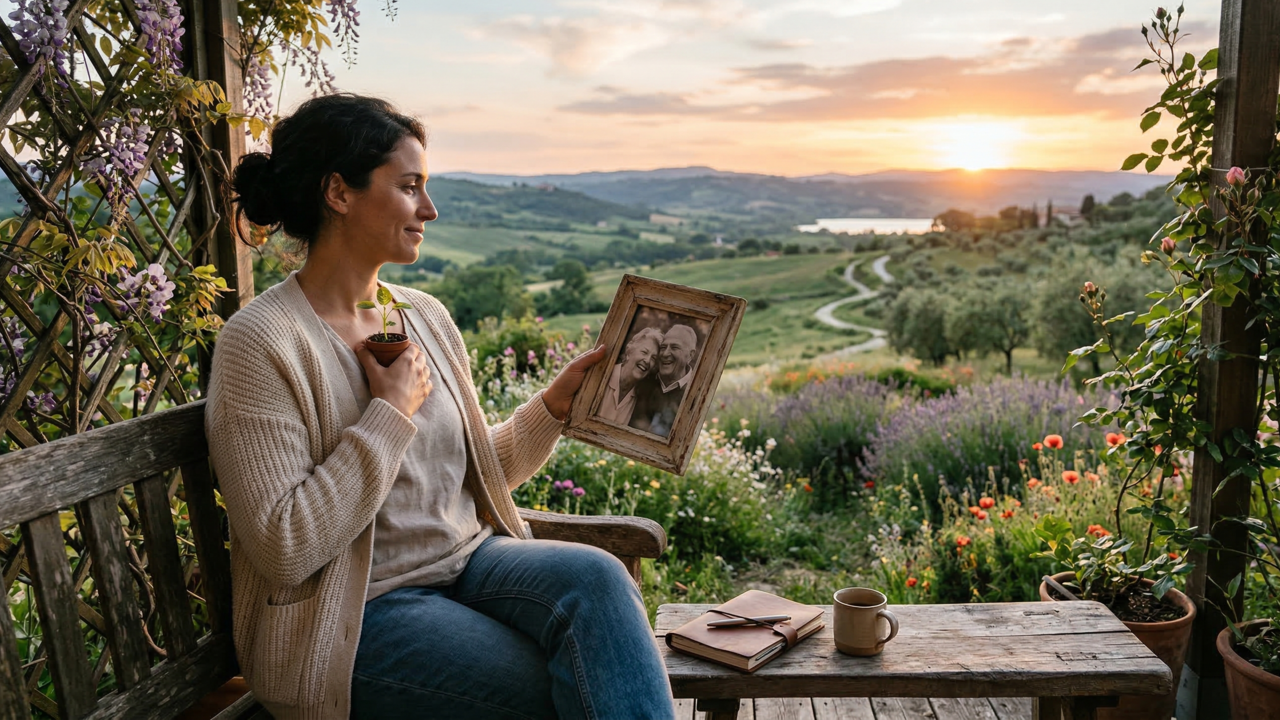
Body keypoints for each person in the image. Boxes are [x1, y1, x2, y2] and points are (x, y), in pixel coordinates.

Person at [205, 94, 674, 720]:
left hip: (468, 566)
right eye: (409, 187)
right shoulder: (263, 342)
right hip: (355, 615)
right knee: (573, 682)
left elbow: (468, 473)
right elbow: (284, 547)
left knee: (600, 580)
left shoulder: (422, 315)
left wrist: (553, 407)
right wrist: (389, 415)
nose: (430, 209)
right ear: (339, 193)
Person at [629, 324, 698, 438]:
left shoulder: (696, 391)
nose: (665, 354)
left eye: (674, 347)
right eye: (663, 347)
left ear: (690, 355)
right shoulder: (643, 379)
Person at [597, 326, 661, 425]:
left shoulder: (641, 399)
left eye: (653, 358)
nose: (647, 360)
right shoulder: (601, 376)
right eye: (644, 352)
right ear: (629, 351)